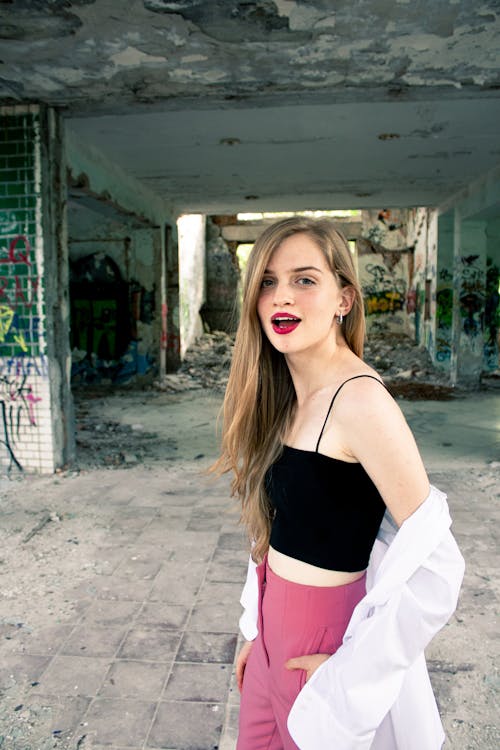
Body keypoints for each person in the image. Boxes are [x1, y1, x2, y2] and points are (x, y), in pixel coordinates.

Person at [212, 216, 465, 750]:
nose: (282, 297)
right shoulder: (287, 393)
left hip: (321, 646)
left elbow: (436, 565)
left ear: (343, 299)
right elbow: (278, 529)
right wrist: (254, 632)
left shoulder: (361, 402)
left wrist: (354, 673)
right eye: (268, 281)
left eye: (305, 279)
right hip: (269, 633)